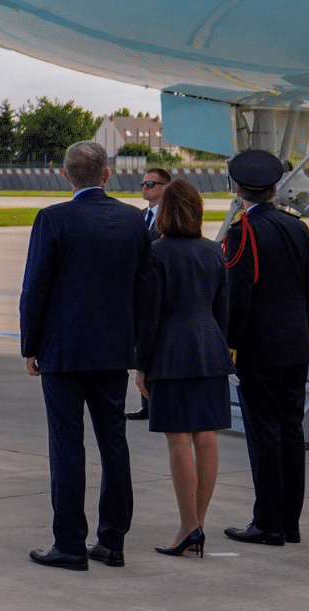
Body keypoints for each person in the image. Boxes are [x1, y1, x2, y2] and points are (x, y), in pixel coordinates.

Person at [20, 140, 148, 570]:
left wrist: (31, 345)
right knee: (114, 443)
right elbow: (144, 292)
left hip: (64, 349)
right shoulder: (134, 220)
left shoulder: (53, 218)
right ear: (106, 175)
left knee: (67, 445)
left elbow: (35, 287)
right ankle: (113, 540)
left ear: (65, 175)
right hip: (114, 351)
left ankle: (70, 543)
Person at [222, 149, 309, 547]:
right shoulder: (297, 228)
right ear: (276, 188)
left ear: (236, 188)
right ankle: (289, 522)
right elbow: (307, 288)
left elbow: (238, 297)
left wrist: (229, 347)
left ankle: (268, 522)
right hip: (295, 345)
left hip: (259, 351)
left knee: (265, 437)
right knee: (291, 433)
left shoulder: (242, 231)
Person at [135, 179, 228, 558]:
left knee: (178, 441)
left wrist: (141, 364)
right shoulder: (213, 251)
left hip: (172, 351)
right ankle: (198, 523)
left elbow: (149, 314)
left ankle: (188, 526)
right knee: (206, 438)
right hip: (210, 347)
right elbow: (223, 310)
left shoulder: (156, 253)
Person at [127, 166, 172, 421]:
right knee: (141, 346)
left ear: (164, 188)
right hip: (139, 291)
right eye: (143, 184)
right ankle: (146, 405)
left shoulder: (171, 217)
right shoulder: (139, 217)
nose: (144, 188)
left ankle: (157, 404)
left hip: (159, 290)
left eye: (150, 184)